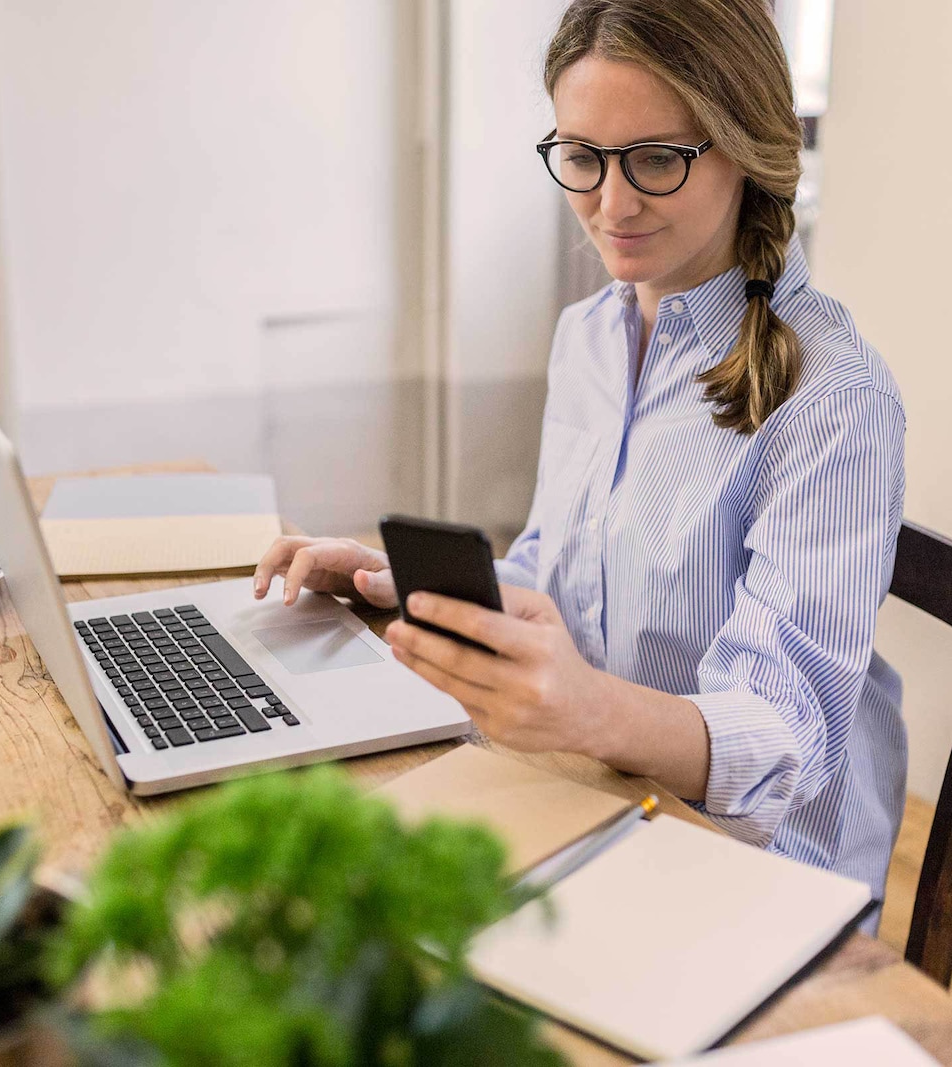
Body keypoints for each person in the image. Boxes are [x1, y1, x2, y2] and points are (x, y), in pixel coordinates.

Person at [252, 0, 907, 909]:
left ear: (745, 145)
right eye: (583, 157)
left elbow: (782, 741)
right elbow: (558, 580)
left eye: (656, 159)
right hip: (589, 793)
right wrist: (393, 581)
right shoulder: (590, 334)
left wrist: (585, 707)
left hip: (750, 881)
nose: (611, 202)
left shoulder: (835, 402)